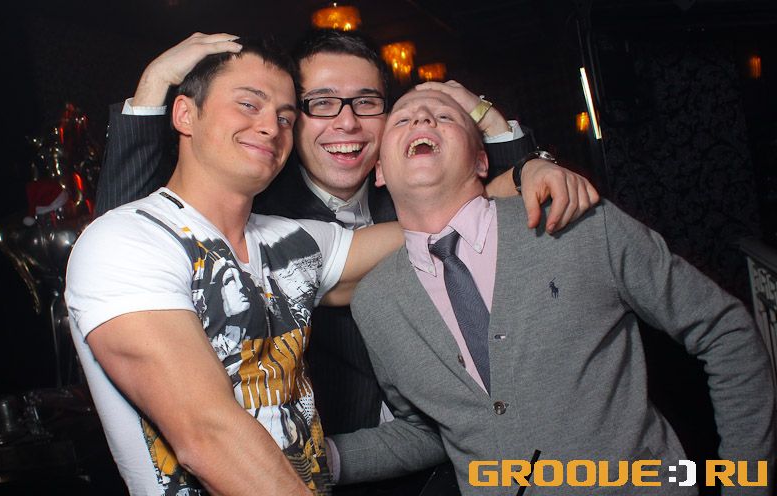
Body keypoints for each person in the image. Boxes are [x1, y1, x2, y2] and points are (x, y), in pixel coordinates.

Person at [94, 30, 600, 494]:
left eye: (366, 102)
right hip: (337, 468)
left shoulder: (312, 235)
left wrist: (521, 159)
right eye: (321, 103)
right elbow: (139, 229)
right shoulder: (252, 212)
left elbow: (475, 209)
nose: (347, 121)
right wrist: (154, 87)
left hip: (469, 461)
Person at [329, 88, 776, 496]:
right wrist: (319, 457)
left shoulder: (579, 224)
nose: (422, 119)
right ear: (380, 171)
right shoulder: (375, 302)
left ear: (482, 161)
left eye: (444, 116)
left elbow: (726, 332)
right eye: (402, 119)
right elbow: (429, 430)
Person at [66, 40, 408, 495]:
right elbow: (209, 436)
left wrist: (502, 165)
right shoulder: (125, 240)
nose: (270, 127)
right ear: (185, 115)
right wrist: (153, 83)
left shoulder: (290, 241)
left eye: (285, 117)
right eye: (248, 104)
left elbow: (429, 231)